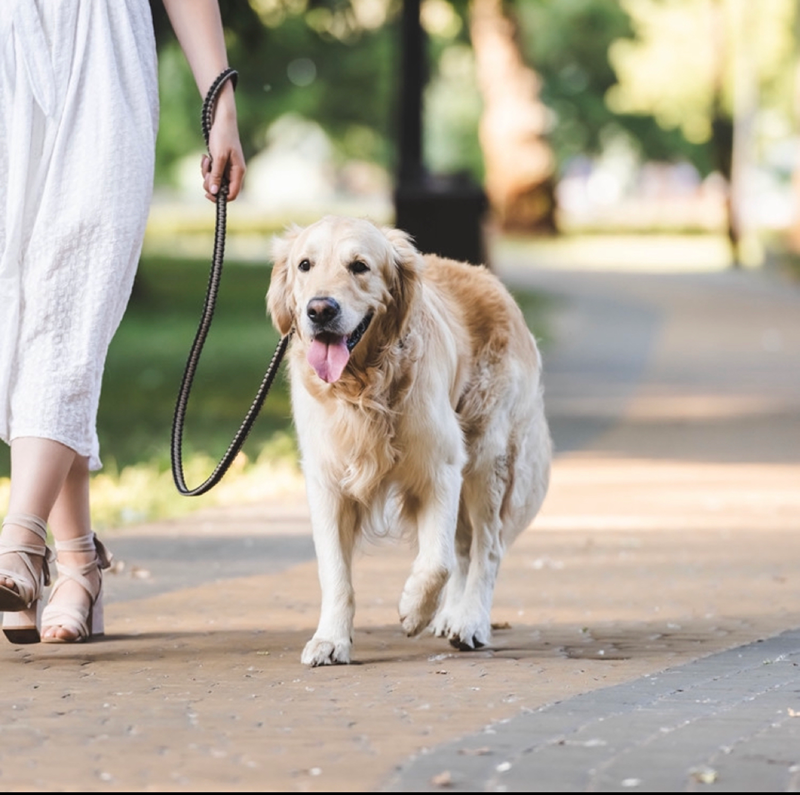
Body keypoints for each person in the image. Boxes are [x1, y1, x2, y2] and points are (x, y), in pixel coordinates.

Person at [0, 0, 246, 644]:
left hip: (103, 51)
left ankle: (19, 541)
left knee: (69, 303)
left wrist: (219, 101)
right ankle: (78, 560)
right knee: (20, 315)